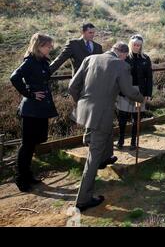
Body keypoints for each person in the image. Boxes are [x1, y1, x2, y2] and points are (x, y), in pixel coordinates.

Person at [68, 42, 144, 212]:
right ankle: (83, 199)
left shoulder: (90, 58)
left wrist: (83, 102)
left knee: (103, 132)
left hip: (85, 110)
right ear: (123, 54)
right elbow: (129, 91)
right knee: (93, 156)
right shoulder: (121, 65)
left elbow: (72, 86)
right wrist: (142, 98)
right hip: (101, 114)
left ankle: (104, 155)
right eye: (126, 55)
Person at [10, 33, 58, 192]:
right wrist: (30, 93)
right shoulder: (30, 61)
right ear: (39, 45)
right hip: (31, 109)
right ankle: (20, 178)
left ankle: (28, 174)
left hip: (41, 109)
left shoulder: (42, 61)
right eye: (48, 46)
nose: (50, 48)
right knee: (27, 145)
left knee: (33, 143)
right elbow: (14, 78)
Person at [116, 35, 153, 150]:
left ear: (141, 46)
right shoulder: (124, 58)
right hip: (125, 91)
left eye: (139, 45)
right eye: (134, 45)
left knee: (136, 118)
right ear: (130, 44)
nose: (137, 47)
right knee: (122, 118)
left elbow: (149, 78)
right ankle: (121, 140)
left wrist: (148, 94)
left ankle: (133, 142)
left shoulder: (145, 58)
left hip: (139, 93)